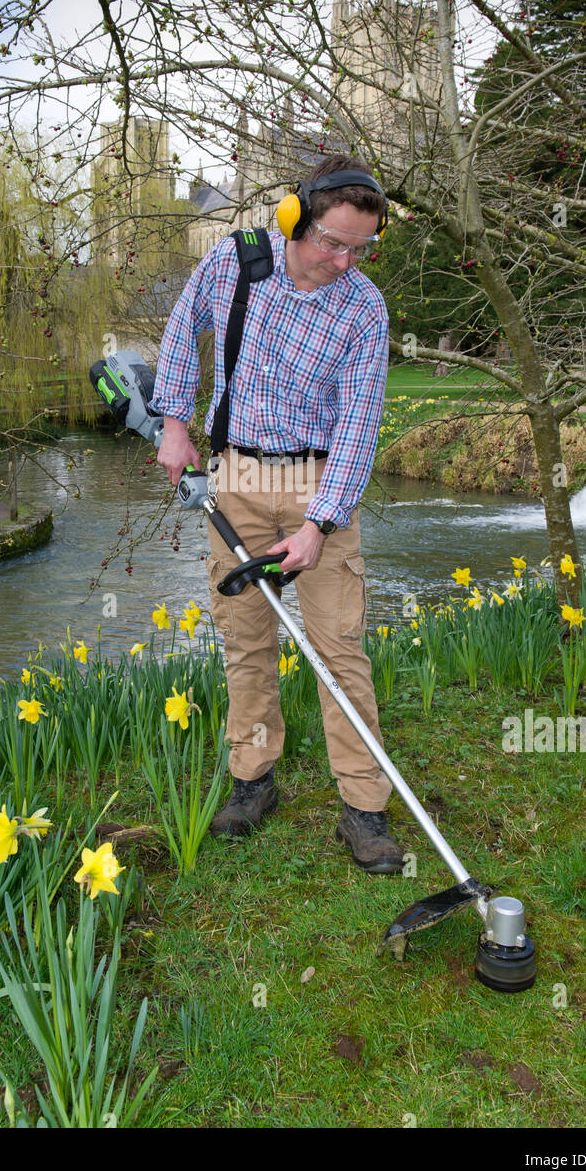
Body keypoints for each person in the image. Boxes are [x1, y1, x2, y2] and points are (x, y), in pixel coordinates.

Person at [150, 154, 404, 873]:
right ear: (295, 219)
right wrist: (173, 420)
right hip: (232, 476)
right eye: (330, 241)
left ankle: (362, 809)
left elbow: (359, 423)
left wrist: (319, 524)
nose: (342, 259)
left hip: (320, 482)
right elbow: (180, 329)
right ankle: (253, 783)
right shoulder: (235, 263)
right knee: (247, 641)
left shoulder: (362, 307)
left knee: (338, 649)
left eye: (360, 247)